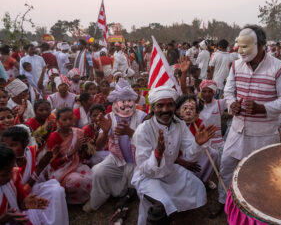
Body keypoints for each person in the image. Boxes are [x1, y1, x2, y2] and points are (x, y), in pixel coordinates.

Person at [212, 25, 281, 216]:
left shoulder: (279, 68)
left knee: (262, 173)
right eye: (239, 46)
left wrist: (262, 108)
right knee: (227, 166)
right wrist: (231, 104)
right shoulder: (236, 65)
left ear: (261, 45)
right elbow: (229, 91)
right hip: (237, 129)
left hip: (263, 134)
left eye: (246, 46)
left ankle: (259, 210)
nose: (240, 51)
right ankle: (224, 202)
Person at [131, 86, 216, 225]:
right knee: (161, 205)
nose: (165, 109)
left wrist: (197, 144)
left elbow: (189, 155)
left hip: (170, 172)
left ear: (174, 106)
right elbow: (144, 168)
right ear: (153, 108)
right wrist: (157, 155)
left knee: (197, 187)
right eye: (160, 105)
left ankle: (177, 215)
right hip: (148, 178)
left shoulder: (179, 124)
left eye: (169, 104)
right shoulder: (143, 130)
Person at [84, 80, 146, 212]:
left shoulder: (142, 117)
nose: (125, 103)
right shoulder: (108, 117)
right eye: (121, 100)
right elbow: (99, 146)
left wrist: (129, 133)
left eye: (128, 100)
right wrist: (105, 132)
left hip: (138, 162)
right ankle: (96, 201)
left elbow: (148, 142)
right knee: (98, 172)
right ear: (115, 102)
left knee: (143, 185)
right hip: (116, 159)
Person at [2, 126, 69, 225]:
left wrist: (44, 165)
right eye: (6, 146)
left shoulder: (31, 152)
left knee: (56, 190)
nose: (9, 149)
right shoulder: (5, 164)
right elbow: (18, 191)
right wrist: (39, 169)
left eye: (13, 145)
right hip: (16, 197)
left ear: (25, 144)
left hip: (28, 190)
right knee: (31, 211)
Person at [46, 107, 93, 204]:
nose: (68, 122)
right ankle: (73, 200)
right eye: (64, 119)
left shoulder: (78, 132)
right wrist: (72, 152)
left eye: (70, 119)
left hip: (76, 164)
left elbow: (83, 156)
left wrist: (83, 147)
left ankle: (90, 196)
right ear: (58, 121)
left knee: (94, 177)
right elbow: (53, 164)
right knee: (76, 181)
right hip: (60, 170)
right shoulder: (54, 137)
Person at [0, 144, 50, 225]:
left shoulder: (13, 179)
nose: (9, 176)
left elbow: (19, 203)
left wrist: (24, 204)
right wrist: (2, 220)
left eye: (10, 171)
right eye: (3, 174)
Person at [175, 94, 218, 187]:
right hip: (177, 156)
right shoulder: (174, 123)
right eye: (185, 108)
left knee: (213, 153)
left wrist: (201, 143)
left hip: (194, 151)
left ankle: (204, 180)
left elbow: (204, 145)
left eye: (192, 109)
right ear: (178, 111)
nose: (188, 111)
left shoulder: (199, 123)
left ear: (196, 112)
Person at [199, 80, 226, 150]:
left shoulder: (219, 104)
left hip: (217, 143)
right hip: (202, 142)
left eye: (210, 91)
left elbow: (230, 99)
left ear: (213, 92)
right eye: (204, 91)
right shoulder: (197, 105)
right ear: (201, 92)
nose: (207, 94)